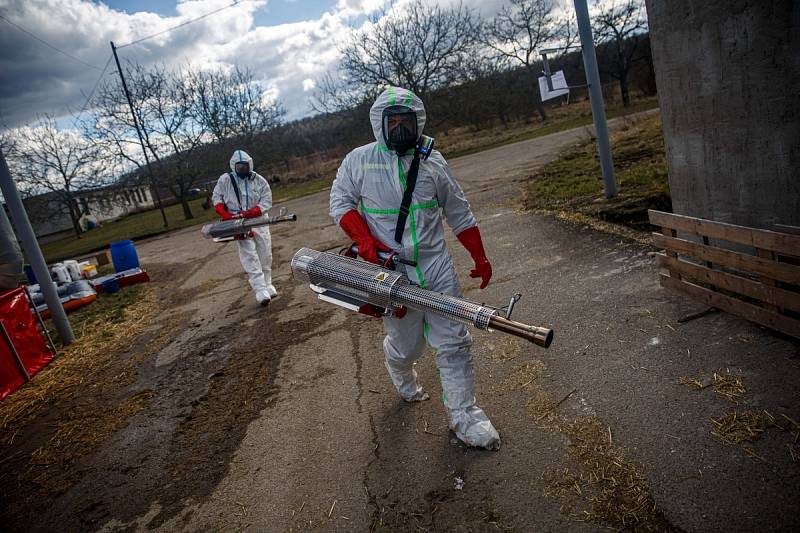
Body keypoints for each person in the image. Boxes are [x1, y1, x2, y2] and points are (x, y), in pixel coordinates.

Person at [329, 87, 499, 450]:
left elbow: (459, 211)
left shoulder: (433, 162)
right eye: (394, 121)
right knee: (408, 346)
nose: (401, 126)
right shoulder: (359, 161)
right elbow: (340, 200)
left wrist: (479, 257)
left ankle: (464, 416)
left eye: (408, 120)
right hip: (390, 274)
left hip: (435, 268)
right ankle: (401, 371)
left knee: (453, 342)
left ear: (418, 121)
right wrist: (363, 239)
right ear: (381, 123)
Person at [212, 149, 276, 306]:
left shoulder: (259, 180)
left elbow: (266, 200)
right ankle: (260, 289)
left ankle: (267, 283)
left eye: (245, 166)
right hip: (237, 223)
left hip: (259, 221)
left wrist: (252, 212)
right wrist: (225, 214)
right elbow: (217, 197)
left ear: (250, 165)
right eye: (239, 167)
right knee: (250, 255)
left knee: (265, 253)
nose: (242, 170)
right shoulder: (225, 180)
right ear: (234, 166)